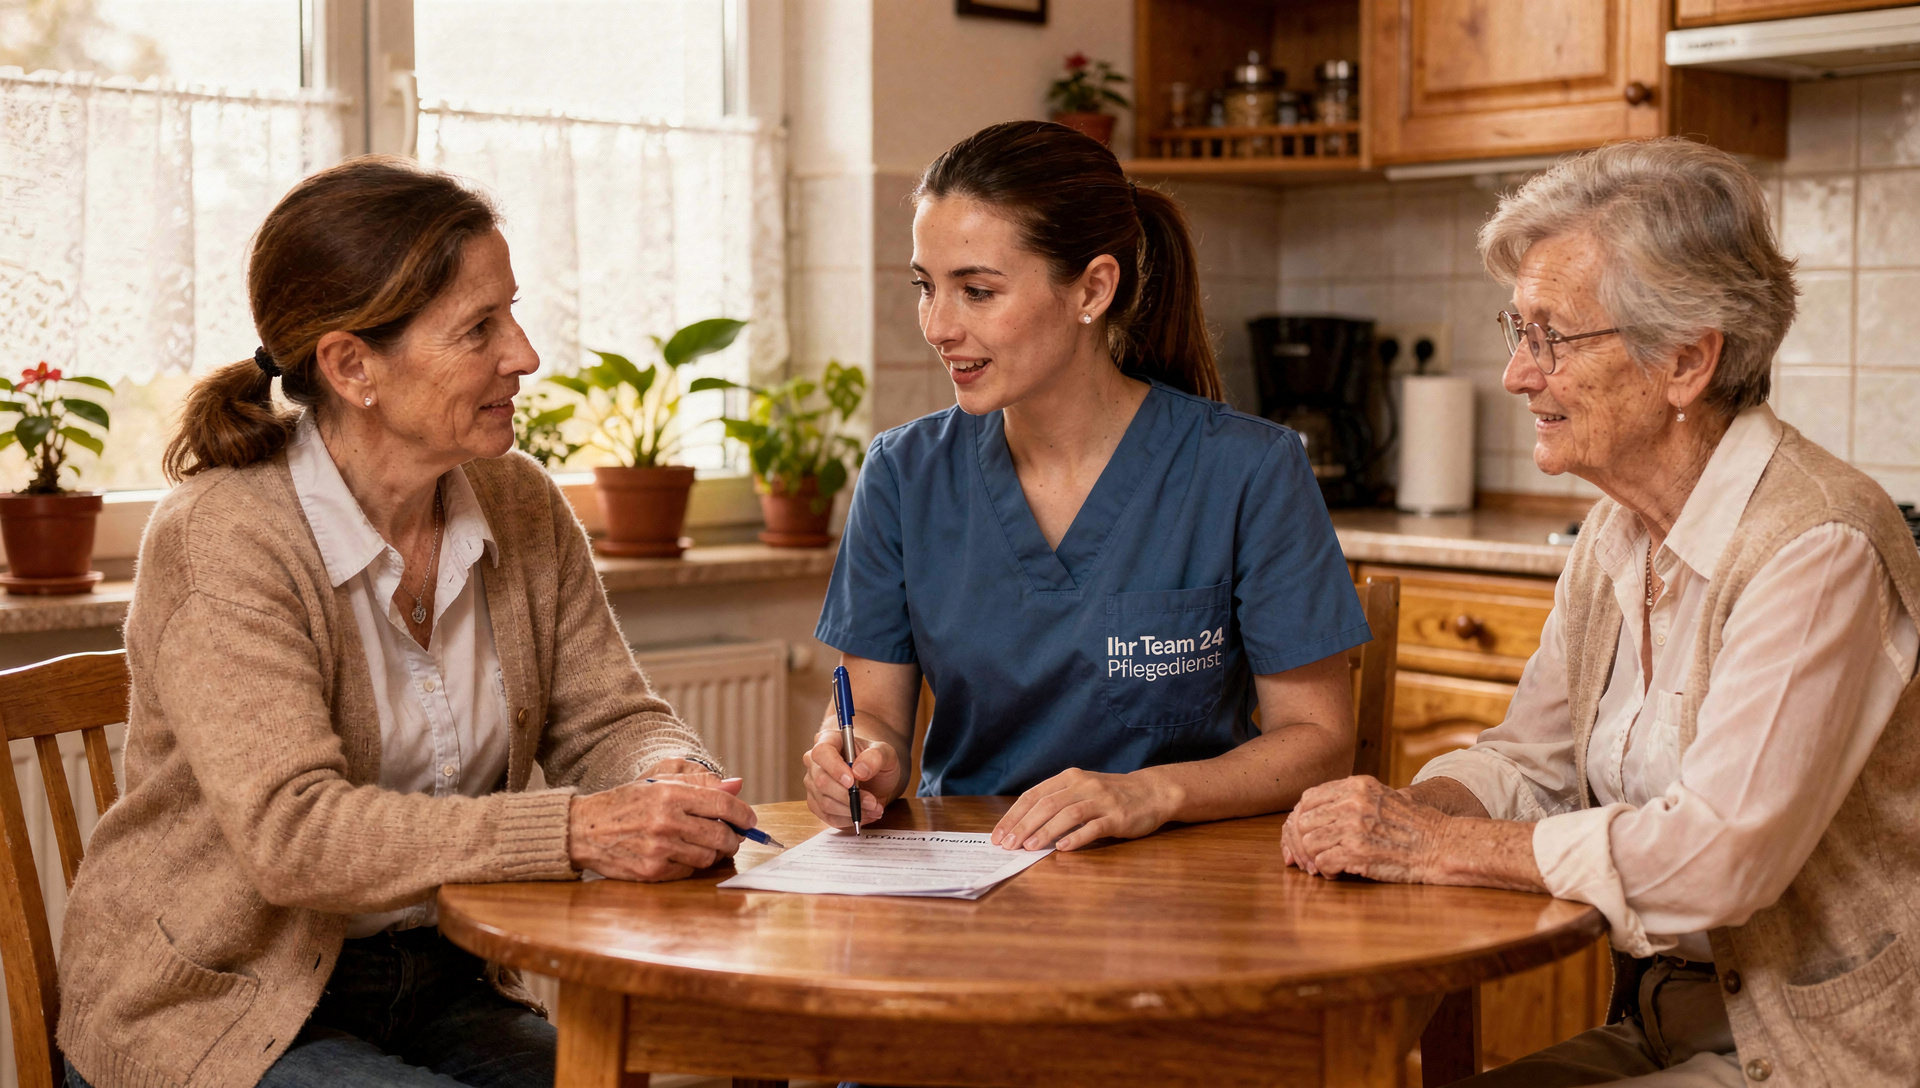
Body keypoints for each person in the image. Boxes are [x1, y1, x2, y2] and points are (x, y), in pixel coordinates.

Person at [56, 156, 761, 1088]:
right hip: (216, 1010)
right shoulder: (224, 536)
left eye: (511, 312)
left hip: (444, 990)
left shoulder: (517, 499)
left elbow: (609, 717)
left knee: (712, 1072)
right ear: (353, 366)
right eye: (480, 328)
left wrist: (667, 774)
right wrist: (579, 832)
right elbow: (293, 836)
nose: (524, 354)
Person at [1281, 138, 1920, 1087]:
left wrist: (1437, 846)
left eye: (1553, 337)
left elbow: (1718, 861)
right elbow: (1528, 760)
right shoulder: (1616, 531)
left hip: (1814, 1054)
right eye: (1518, 329)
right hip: (1663, 1025)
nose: (1516, 374)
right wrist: (1416, 809)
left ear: (1686, 363)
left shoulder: (1816, 545)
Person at [803, 120, 1371, 854]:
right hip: (974, 881)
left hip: (1190, 883)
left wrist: (1150, 793)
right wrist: (855, 759)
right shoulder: (902, 475)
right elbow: (871, 714)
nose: (938, 325)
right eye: (926, 287)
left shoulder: (1250, 471)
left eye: (976, 291)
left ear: (1093, 289)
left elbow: (1320, 741)